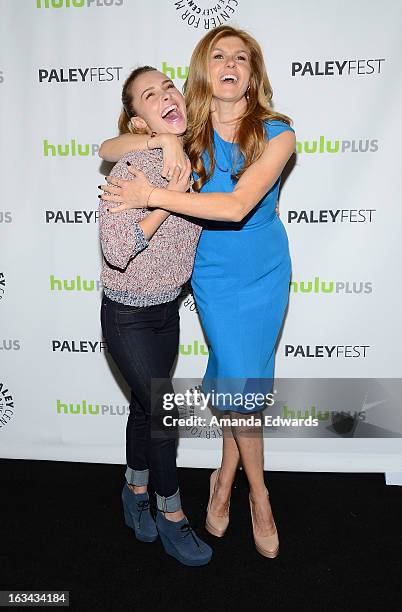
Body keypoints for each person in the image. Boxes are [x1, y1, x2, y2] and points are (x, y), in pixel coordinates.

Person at [99, 25, 296, 558]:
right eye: (218, 56)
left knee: (241, 387)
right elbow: (108, 145)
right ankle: (242, 489)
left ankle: (248, 492)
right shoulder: (190, 127)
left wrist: (154, 194)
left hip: (262, 271)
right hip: (210, 273)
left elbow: (235, 207)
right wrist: (161, 140)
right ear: (203, 71)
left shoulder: (278, 132)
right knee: (240, 387)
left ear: (252, 75)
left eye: (241, 57)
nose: (229, 63)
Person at [98, 65, 212, 567]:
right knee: (164, 412)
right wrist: (165, 202)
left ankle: (133, 490)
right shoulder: (133, 171)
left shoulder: (196, 159)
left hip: (167, 312)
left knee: (146, 410)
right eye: (150, 95)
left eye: (169, 86)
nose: (166, 94)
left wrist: (175, 158)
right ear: (139, 121)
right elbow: (118, 249)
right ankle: (171, 515)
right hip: (127, 318)